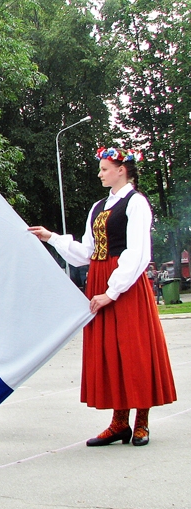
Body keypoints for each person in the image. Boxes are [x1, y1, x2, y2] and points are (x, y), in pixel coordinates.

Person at [29, 147, 176, 447]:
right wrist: (51, 237)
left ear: (122, 170)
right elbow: (87, 252)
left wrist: (112, 291)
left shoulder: (136, 203)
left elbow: (137, 253)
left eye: (105, 168)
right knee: (111, 353)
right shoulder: (98, 206)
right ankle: (119, 422)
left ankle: (142, 422)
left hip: (125, 284)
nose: (100, 174)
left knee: (135, 349)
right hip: (100, 277)